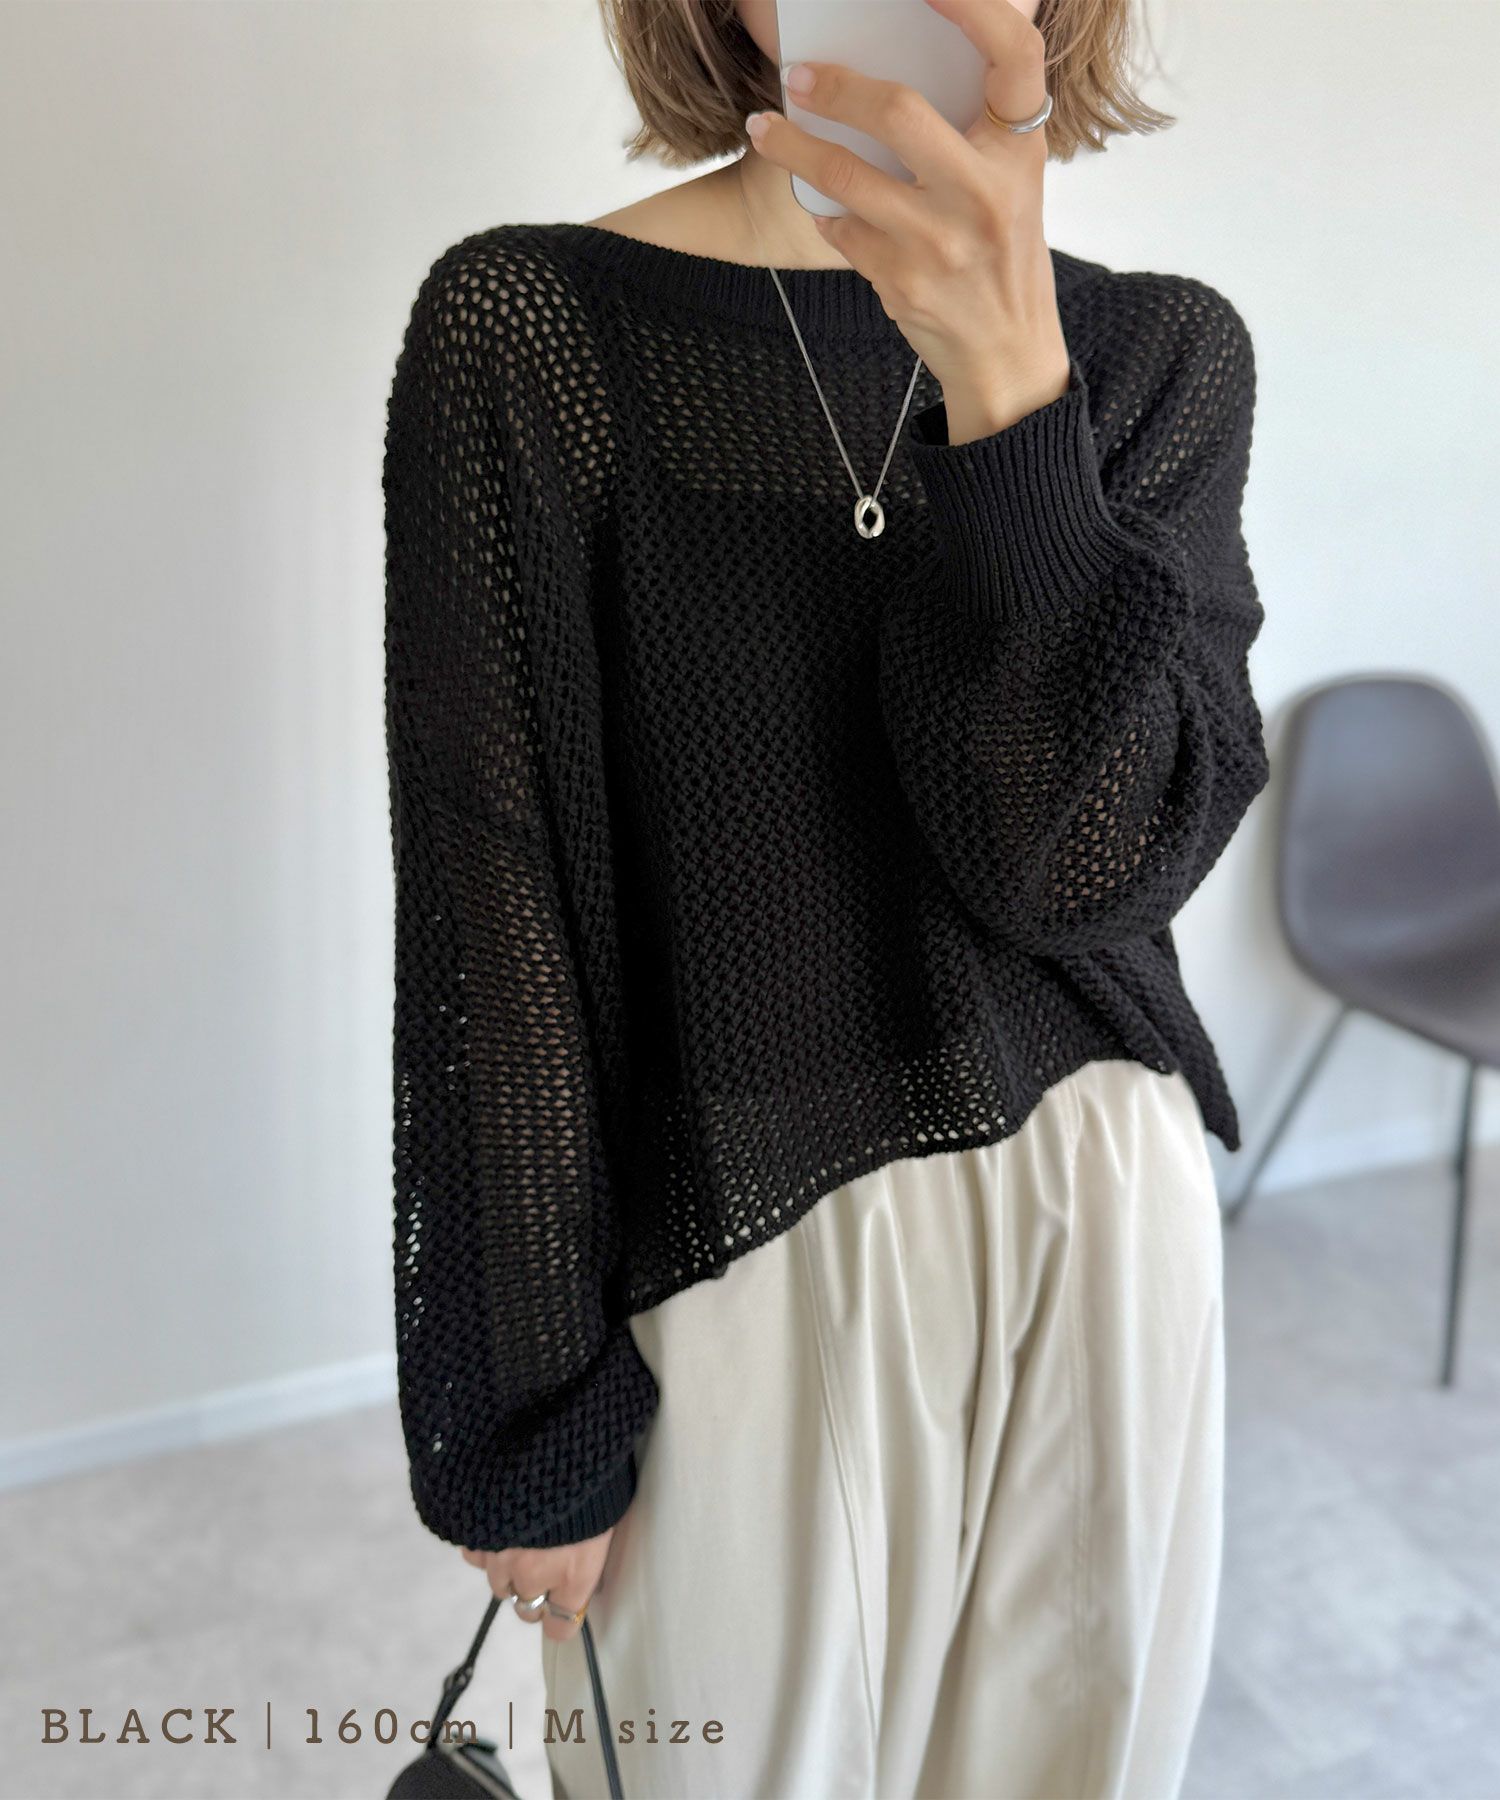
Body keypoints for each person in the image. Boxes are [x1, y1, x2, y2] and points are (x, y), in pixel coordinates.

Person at [381, 0, 1270, 1793]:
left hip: (1100, 1207)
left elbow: (1089, 871)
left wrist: (1010, 394)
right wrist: (526, 1422)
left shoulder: (1161, 352)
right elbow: (495, 912)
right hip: (741, 1260)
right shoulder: (532, 330)